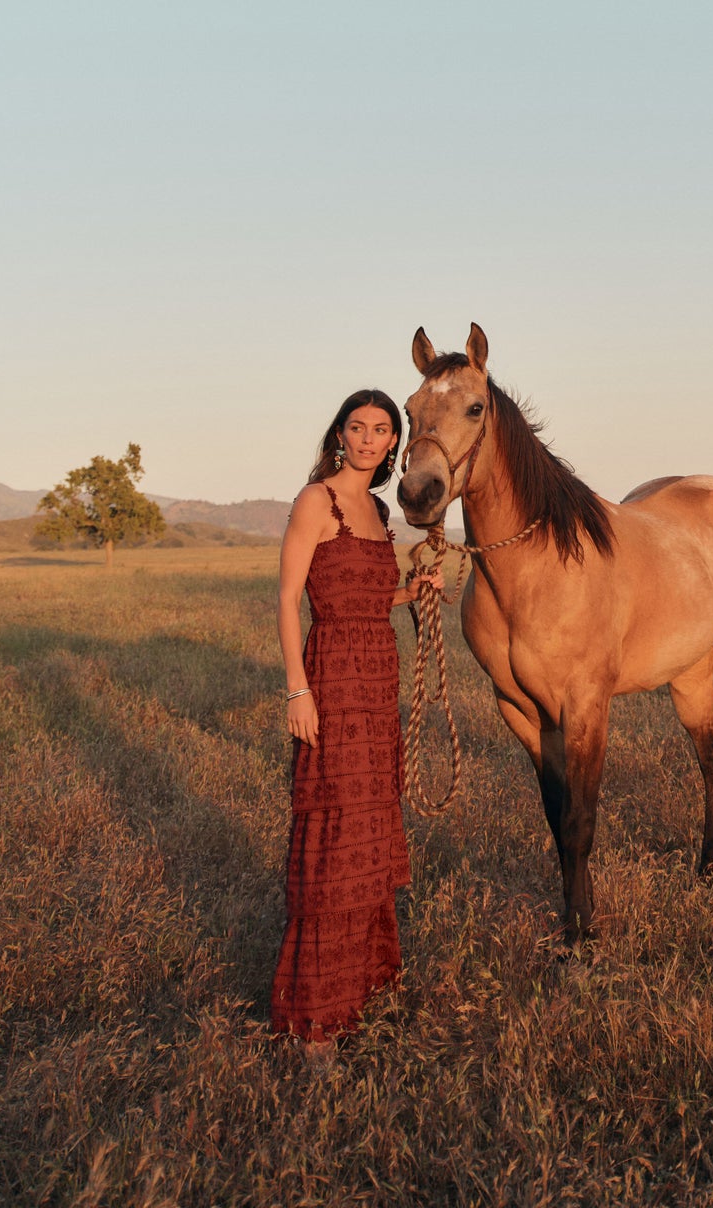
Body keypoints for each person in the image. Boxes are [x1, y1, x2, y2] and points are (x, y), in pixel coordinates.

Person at [270, 388, 440, 1045]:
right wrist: (297, 691)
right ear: (340, 435)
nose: (368, 439)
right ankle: (315, 1019)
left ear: (394, 442)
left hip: (379, 680)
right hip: (332, 679)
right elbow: (289, 600)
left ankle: (360, 991)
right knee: (337, 839)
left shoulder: (375, 508)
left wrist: (410, 591)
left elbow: (369, 597)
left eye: (380, 430)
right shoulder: (317, 501)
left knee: (370, 829)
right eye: (357, 428)